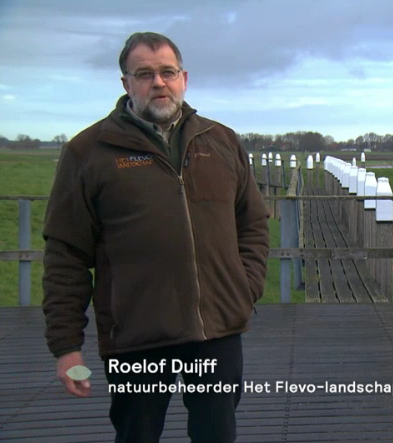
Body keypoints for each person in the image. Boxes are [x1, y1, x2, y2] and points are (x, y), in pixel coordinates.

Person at [41, 31, 270, 443]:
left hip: (216, 331)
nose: (158, 82)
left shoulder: (220, 141)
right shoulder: (89, 151)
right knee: (136, 436)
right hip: (135, 335)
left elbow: (252, 223)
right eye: (144, 74)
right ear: (126, 83)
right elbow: (65, 254)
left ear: (184, 78)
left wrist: (244, 287)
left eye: (167, 72)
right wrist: (66, 347)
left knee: (216, 436)